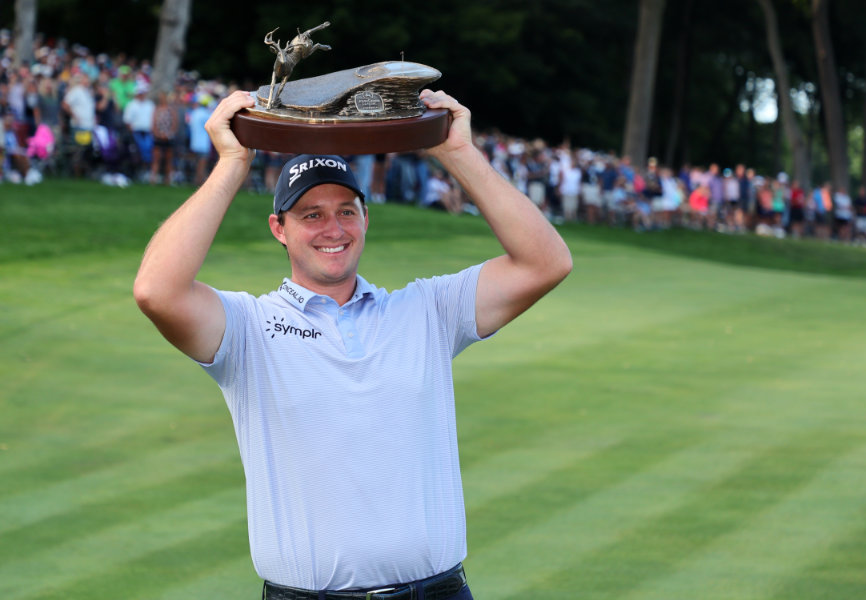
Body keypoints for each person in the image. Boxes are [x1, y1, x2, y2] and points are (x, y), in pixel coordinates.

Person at [133, 89, 572, 599]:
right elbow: (156, 291)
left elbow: (546, 262)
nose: (333, 229)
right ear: (279, 228)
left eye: (346, 210)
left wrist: (458, 153)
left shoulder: (426, 310)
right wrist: (233, 163)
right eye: (311, 215)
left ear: (367, 218)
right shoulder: (249, 327)